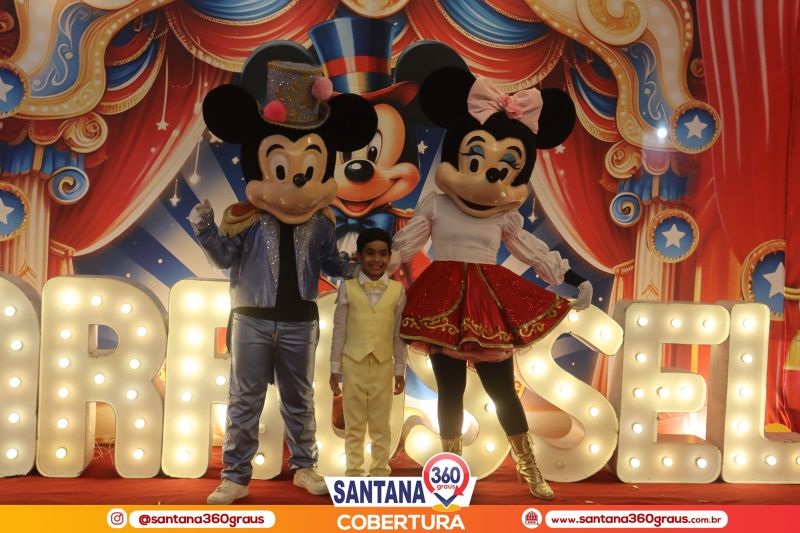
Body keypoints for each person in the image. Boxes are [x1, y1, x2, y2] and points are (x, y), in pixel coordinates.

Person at [389, 65, 592, 501]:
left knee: (503, 392)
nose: (490, 175)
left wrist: (572, 279)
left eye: (505, 166)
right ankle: (450, 475)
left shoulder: (504, 215)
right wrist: (371, 273)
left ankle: (529, 468)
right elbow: (404, 247)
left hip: (486, 303)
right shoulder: (437, 205)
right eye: (476, 159)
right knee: (450, 392)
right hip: (441, 300)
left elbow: (533, 252)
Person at [190, 42, 377, 505]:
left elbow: (330, 263)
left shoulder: (321, 222)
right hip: (252, 319)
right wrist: (206, 229)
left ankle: (305, 467)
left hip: (299, 321)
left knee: (299, 399)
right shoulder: (246, 217)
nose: (296, 176)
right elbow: (224, 258)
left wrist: (357, 266)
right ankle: (235, 476)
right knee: (244, 399)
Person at [329, 228, 407, 477]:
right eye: (370, 253)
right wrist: (334, 368)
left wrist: (400, 369)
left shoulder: (397, 291)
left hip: (384, 365)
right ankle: (353, 472)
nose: (377, 259)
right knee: (353, 424)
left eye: (383, 254)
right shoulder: (347, 288)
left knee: (381, 425)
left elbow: (399, 335)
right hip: (353, 363)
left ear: (389, 257)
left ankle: (380, 472)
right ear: (359, 256)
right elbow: (339, 330)